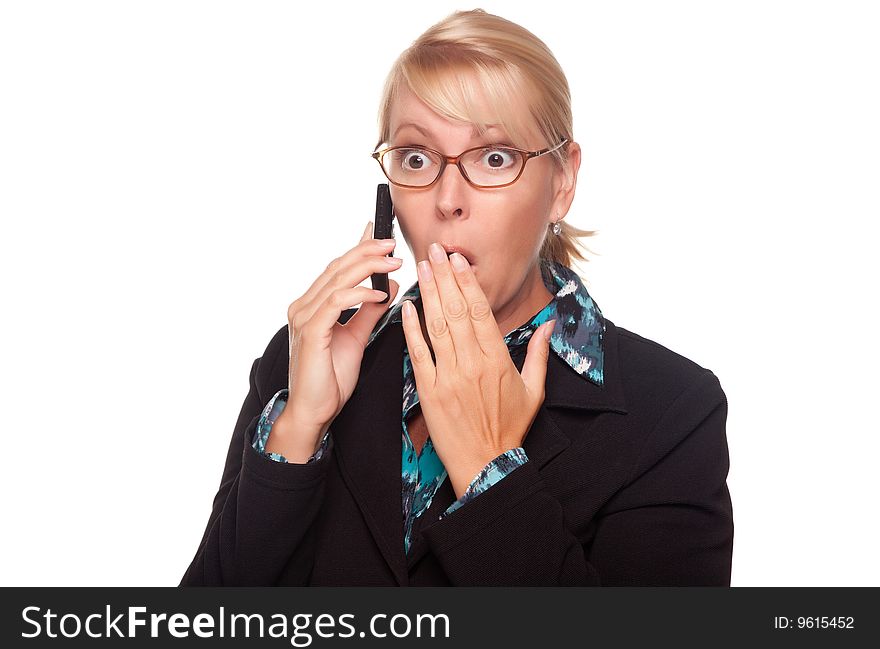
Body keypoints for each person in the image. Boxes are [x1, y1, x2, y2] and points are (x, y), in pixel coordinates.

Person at [180, 8, 733, 586]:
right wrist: (300, 427)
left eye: (495, 158)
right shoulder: (303, 361)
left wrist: (489, 470)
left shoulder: (671, 411)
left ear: (562, 183)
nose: (448, 200)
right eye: (416, 158)